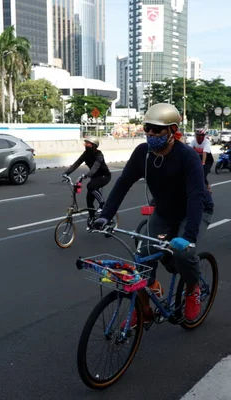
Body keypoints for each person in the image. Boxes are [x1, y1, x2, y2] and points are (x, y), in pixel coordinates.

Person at [93, 103, 206, 324]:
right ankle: (143, 309)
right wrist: (105, 215)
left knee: (184, 254)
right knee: (142, 259)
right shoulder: (142, 154)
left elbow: (196, 197)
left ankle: (192, 291)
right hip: (163, 212)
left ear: (173, 130)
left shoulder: (188, 157)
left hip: (191, 213)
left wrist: (189, 236)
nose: (150, 134)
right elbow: (123, 183)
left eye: (157, 130)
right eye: (147, 128)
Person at [62, 137, 111, 229]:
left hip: (104, 176)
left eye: (88, 143)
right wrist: (66, 173)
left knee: (91, 186)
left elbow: (96, 166)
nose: (85, 145)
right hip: (95, 177)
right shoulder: (86, 154)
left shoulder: (99, 154)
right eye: (85, 143)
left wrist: (87, 175)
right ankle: (92, 219)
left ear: (93, 145)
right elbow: (77, 163)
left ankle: (102, 204)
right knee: (89, 200)